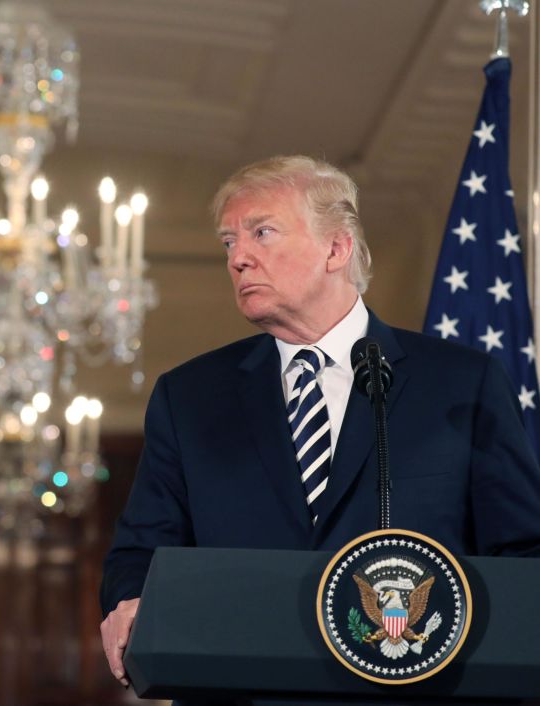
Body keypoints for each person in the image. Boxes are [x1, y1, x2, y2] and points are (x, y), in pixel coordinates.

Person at [100, 155, 540, 689]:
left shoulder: (460, 382)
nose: (238, 258)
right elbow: (139, 551)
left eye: (261, 233)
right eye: (228, 242)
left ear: (337, 248)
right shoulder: (189, 396)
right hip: (237, 690)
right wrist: (128, 601)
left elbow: (522, 553)